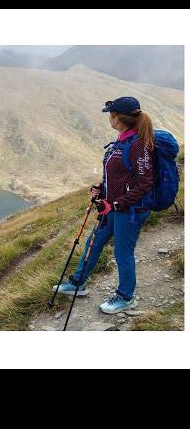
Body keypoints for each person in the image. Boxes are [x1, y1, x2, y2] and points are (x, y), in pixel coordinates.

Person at [54, 96, 155, 314]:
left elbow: (145, 182)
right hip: (112, 207)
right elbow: (118, 176)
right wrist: (101, 189)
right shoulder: (122, 141)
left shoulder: (138, 144)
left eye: (110, 114)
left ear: (117, 118)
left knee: (122, 253)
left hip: (128, 211)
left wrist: (117, 203)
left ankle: (126, 297)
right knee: (94, 241)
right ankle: (78, 283)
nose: (109, 118)